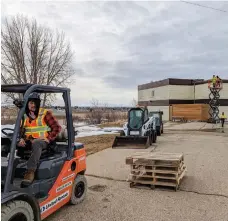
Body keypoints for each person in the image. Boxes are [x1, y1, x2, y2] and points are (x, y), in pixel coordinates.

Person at [17, 92, 61, 184]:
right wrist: (20, 139)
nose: (33, 105)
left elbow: (57, 128)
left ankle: (30, 171)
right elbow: (20, 131)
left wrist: (49, 138)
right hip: (29, 141)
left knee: (36, 143)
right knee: (9, 141)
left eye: (35, 103)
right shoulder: (24, 116)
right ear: (27, 104)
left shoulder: (45, 113)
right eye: (31, 103)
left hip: (43, 142)